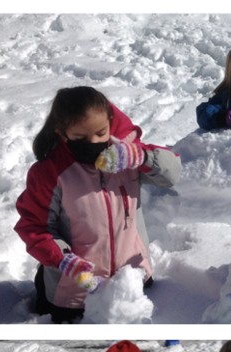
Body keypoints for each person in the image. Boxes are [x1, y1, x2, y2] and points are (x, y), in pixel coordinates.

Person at [14, 86, 181, 323]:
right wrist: (63, 259)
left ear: (110, 124)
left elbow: (171, 174)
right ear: (62, 133)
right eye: (80, 138)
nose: (92, 143)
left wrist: (141, 157)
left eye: (101, 133)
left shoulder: (127, 155)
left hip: (132, 278)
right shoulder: (50, 173)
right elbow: (35, 226)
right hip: (71, 292)